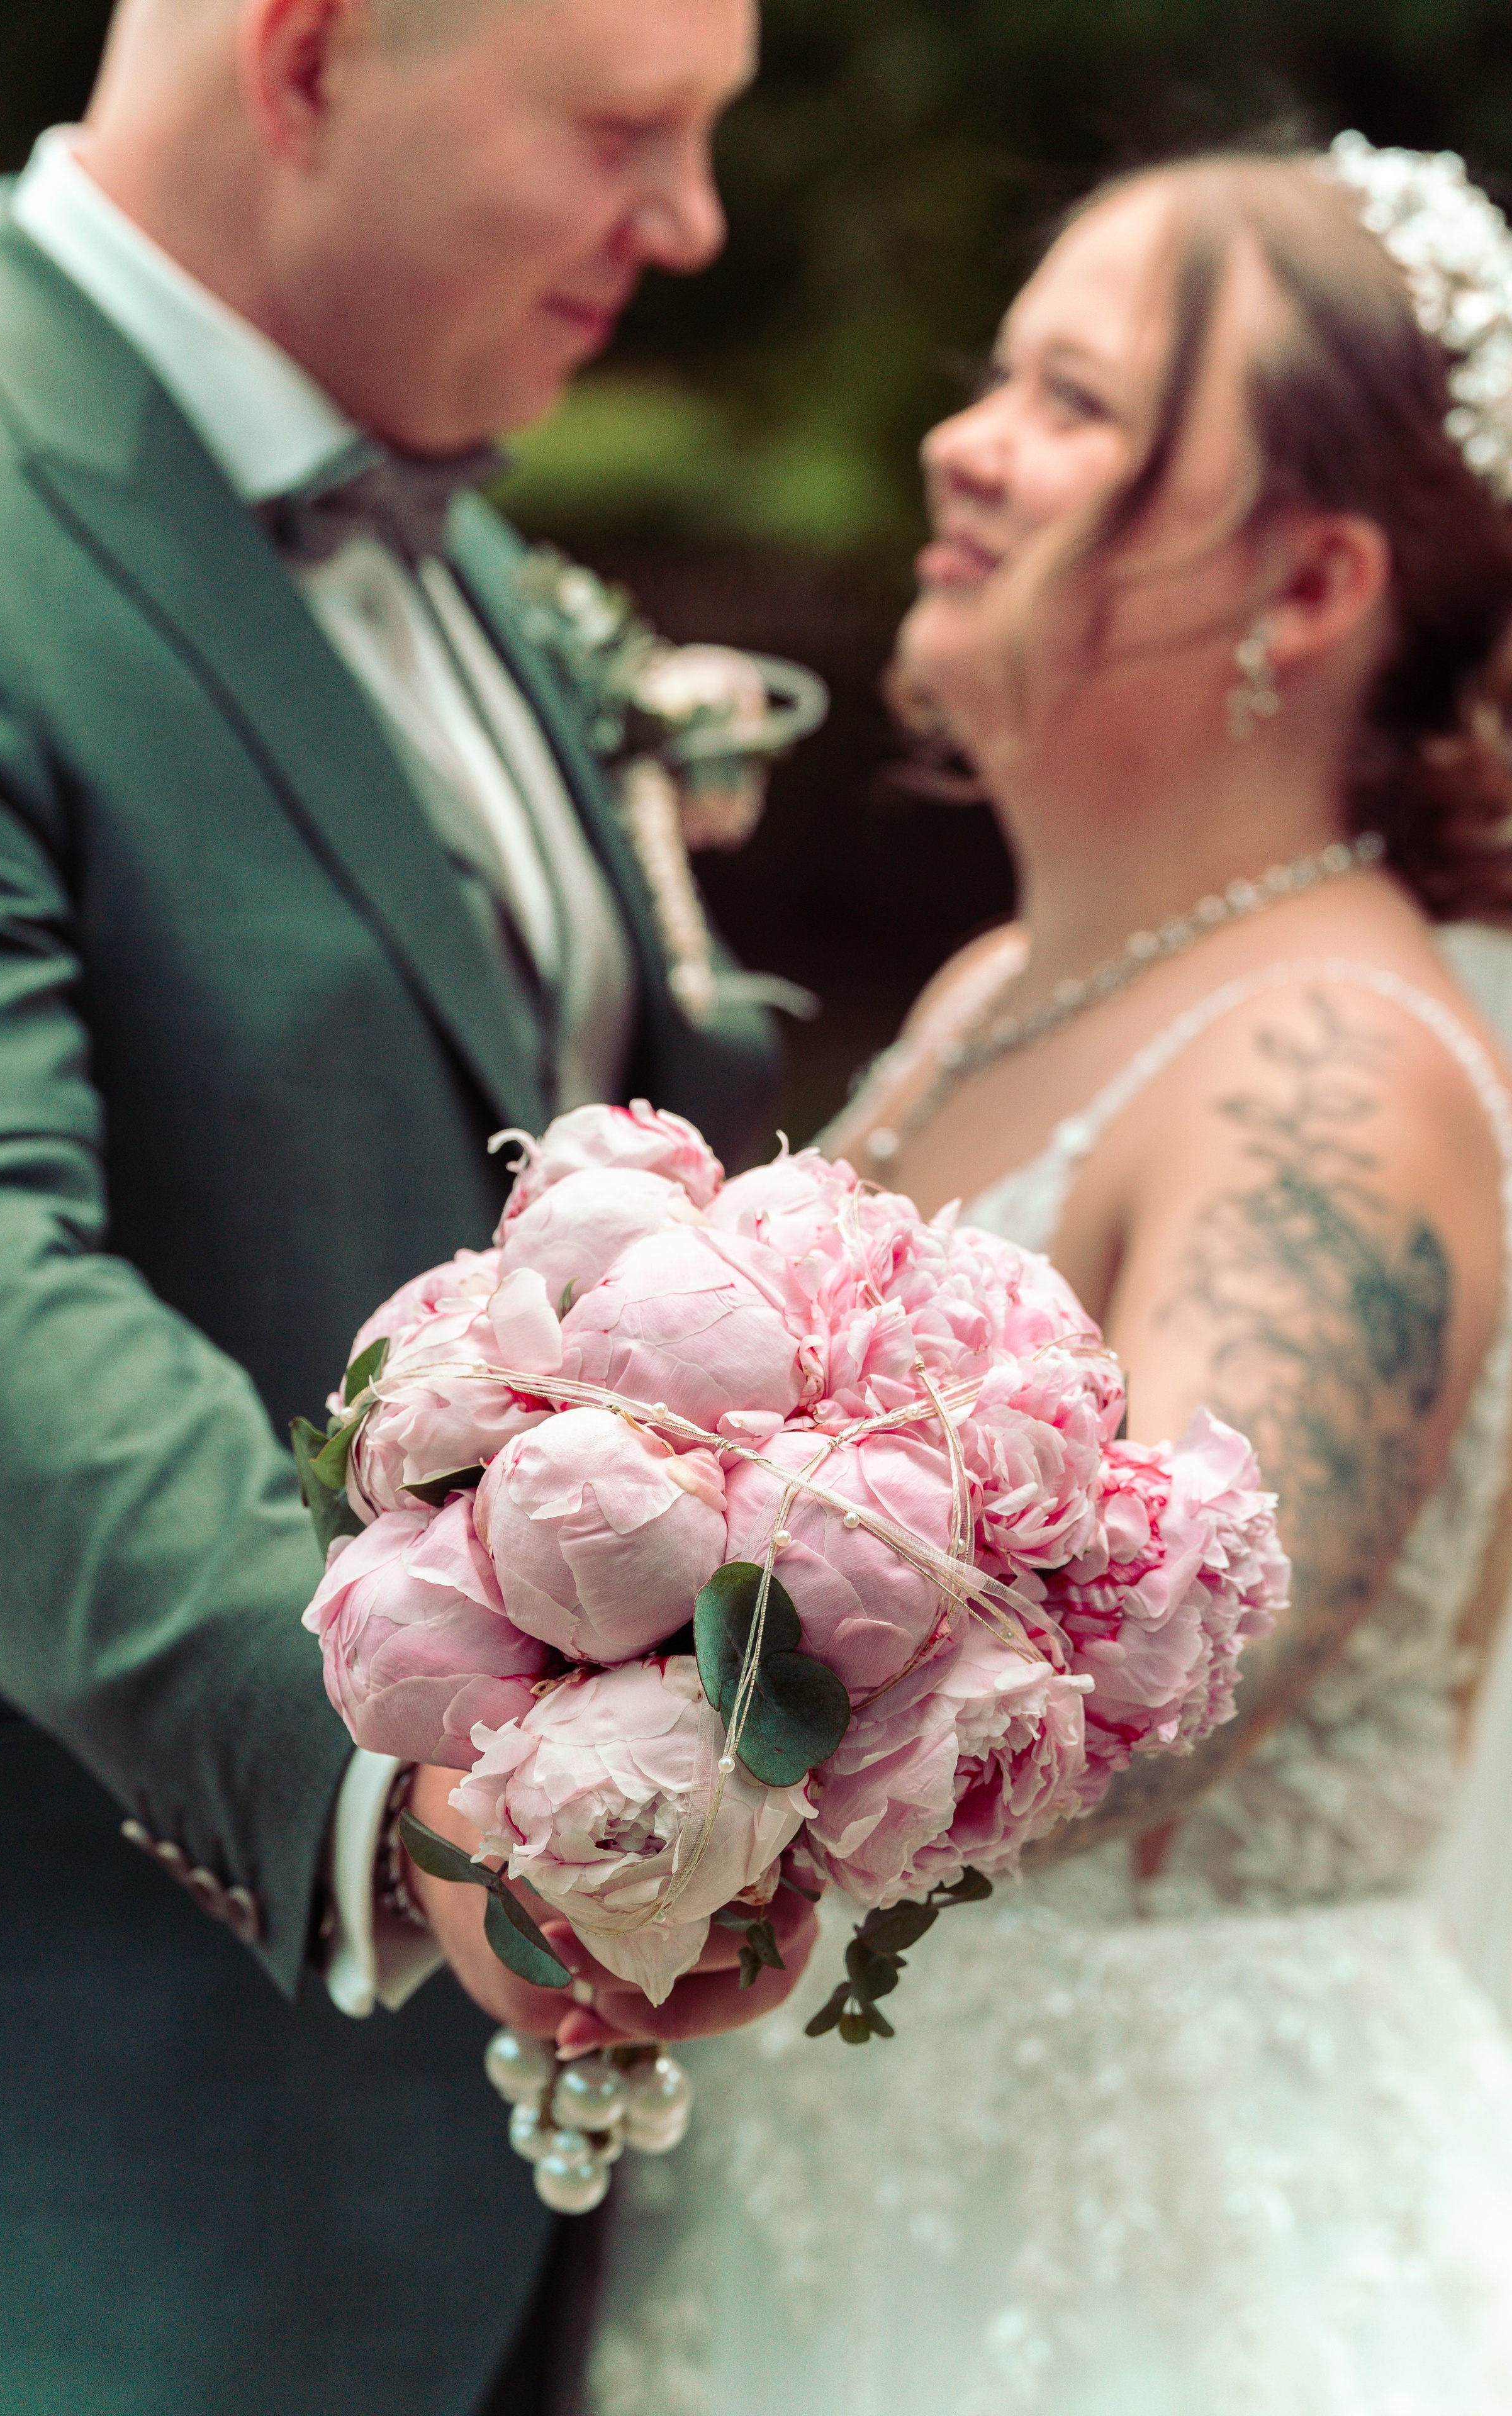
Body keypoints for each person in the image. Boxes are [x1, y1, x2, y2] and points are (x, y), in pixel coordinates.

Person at [0, 1, 822, 2410]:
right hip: (70, 2184)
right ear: (308, 58)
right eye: (630, 128)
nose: (695, 220)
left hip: (534, 2240)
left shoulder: (481, 561)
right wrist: (409, 1815)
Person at [584, 140, 1512, 2413]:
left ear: (1306, 579)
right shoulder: (1008, 975)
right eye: (1003, 378)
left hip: (1152, 2263)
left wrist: (561, 1669)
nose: (961, 445)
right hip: (837, 2193)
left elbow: (1139, 1695)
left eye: (1078, 406)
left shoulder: (1333, 1071)